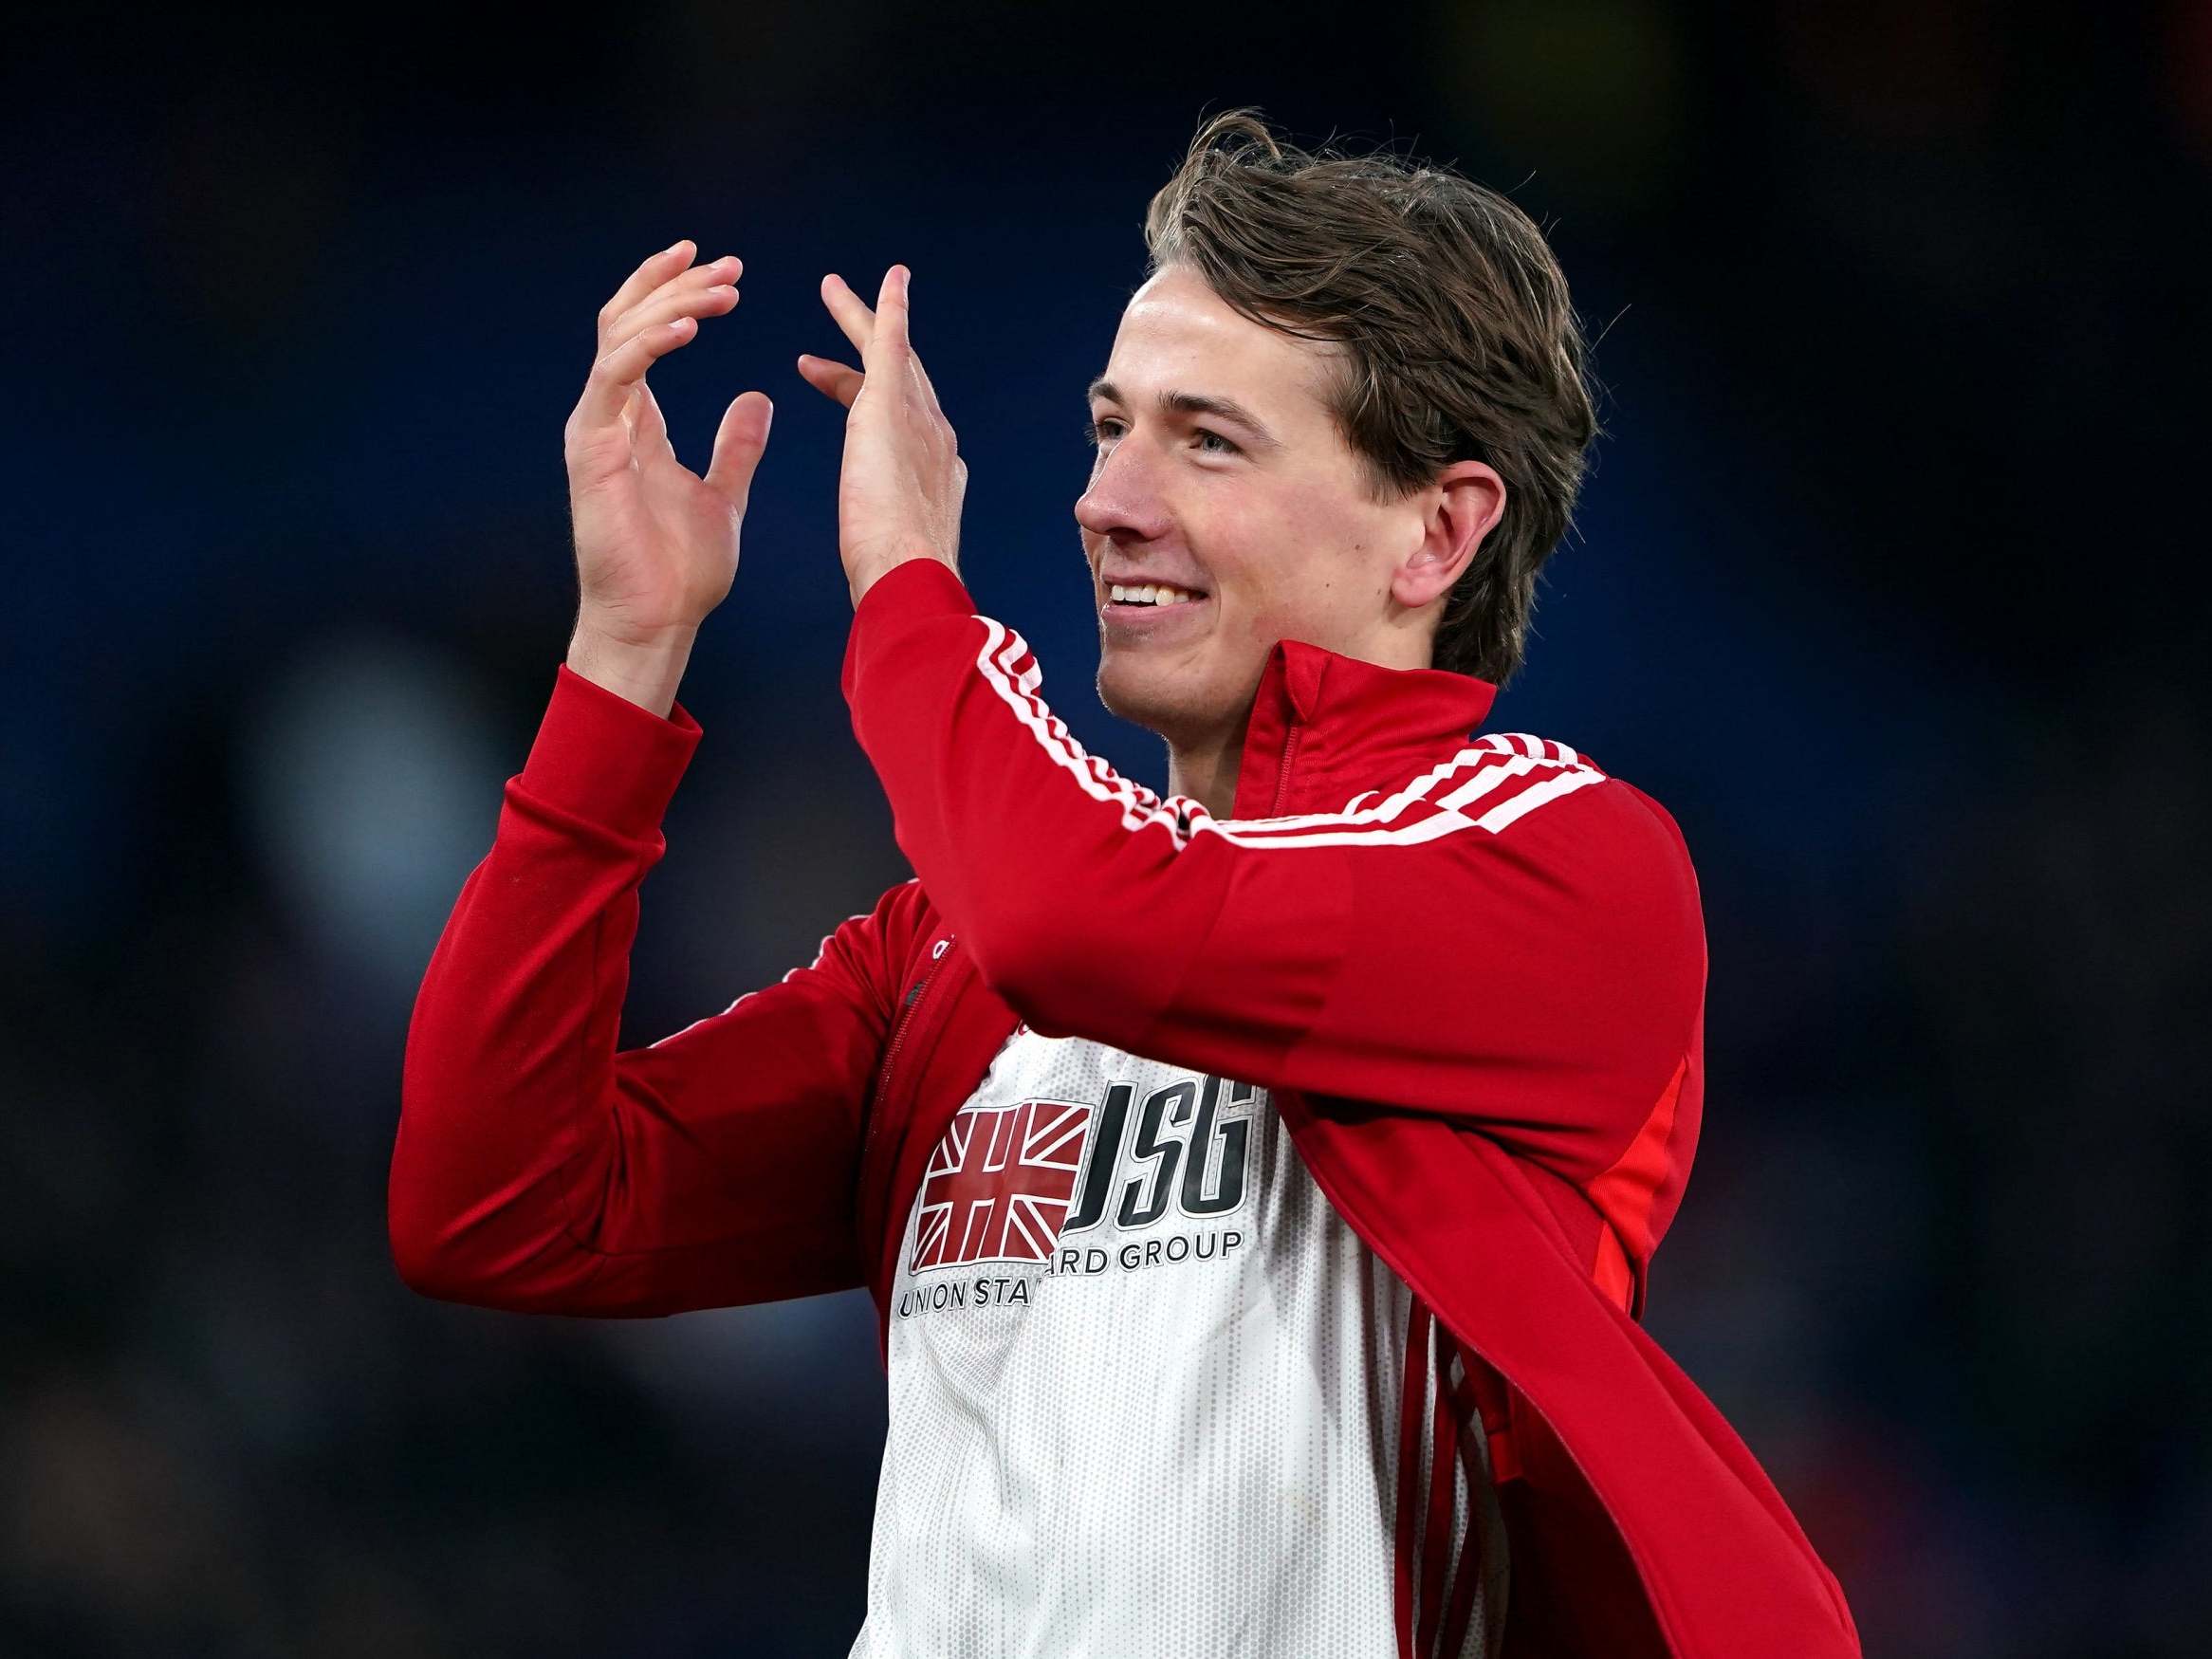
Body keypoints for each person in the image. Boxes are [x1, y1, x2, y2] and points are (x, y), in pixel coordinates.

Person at [390, 110, 1862, 1658]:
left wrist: (909, 583)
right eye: (1109, 426)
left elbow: (1090, 921)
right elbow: (498, 1206)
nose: (1106, 500)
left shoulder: (1557, 861)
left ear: (1438, 529)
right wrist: (625, 656)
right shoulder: (946, 957)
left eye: (1206, 439)